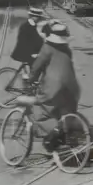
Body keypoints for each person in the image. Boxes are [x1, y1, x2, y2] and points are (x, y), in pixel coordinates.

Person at [28, 21, 82, 153]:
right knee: (67, 112)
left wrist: (31, 79)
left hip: (54, 89)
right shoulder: (67, 50)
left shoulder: (47, 48)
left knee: (40, 112)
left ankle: (54, 135)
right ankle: (69, 137)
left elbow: (37, 67)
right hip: (73, 88)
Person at [10, 7, 50, 81]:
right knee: (37, 68)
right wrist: (33, 53)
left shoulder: (33, 25)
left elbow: (37, 39)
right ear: (31, 16)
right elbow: (23, 43)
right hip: (25, 52)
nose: (38, 19)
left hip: (32, 51)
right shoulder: (26, 26)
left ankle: (33, 82)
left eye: (39, 17)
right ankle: (30, 83)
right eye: (36, 17)